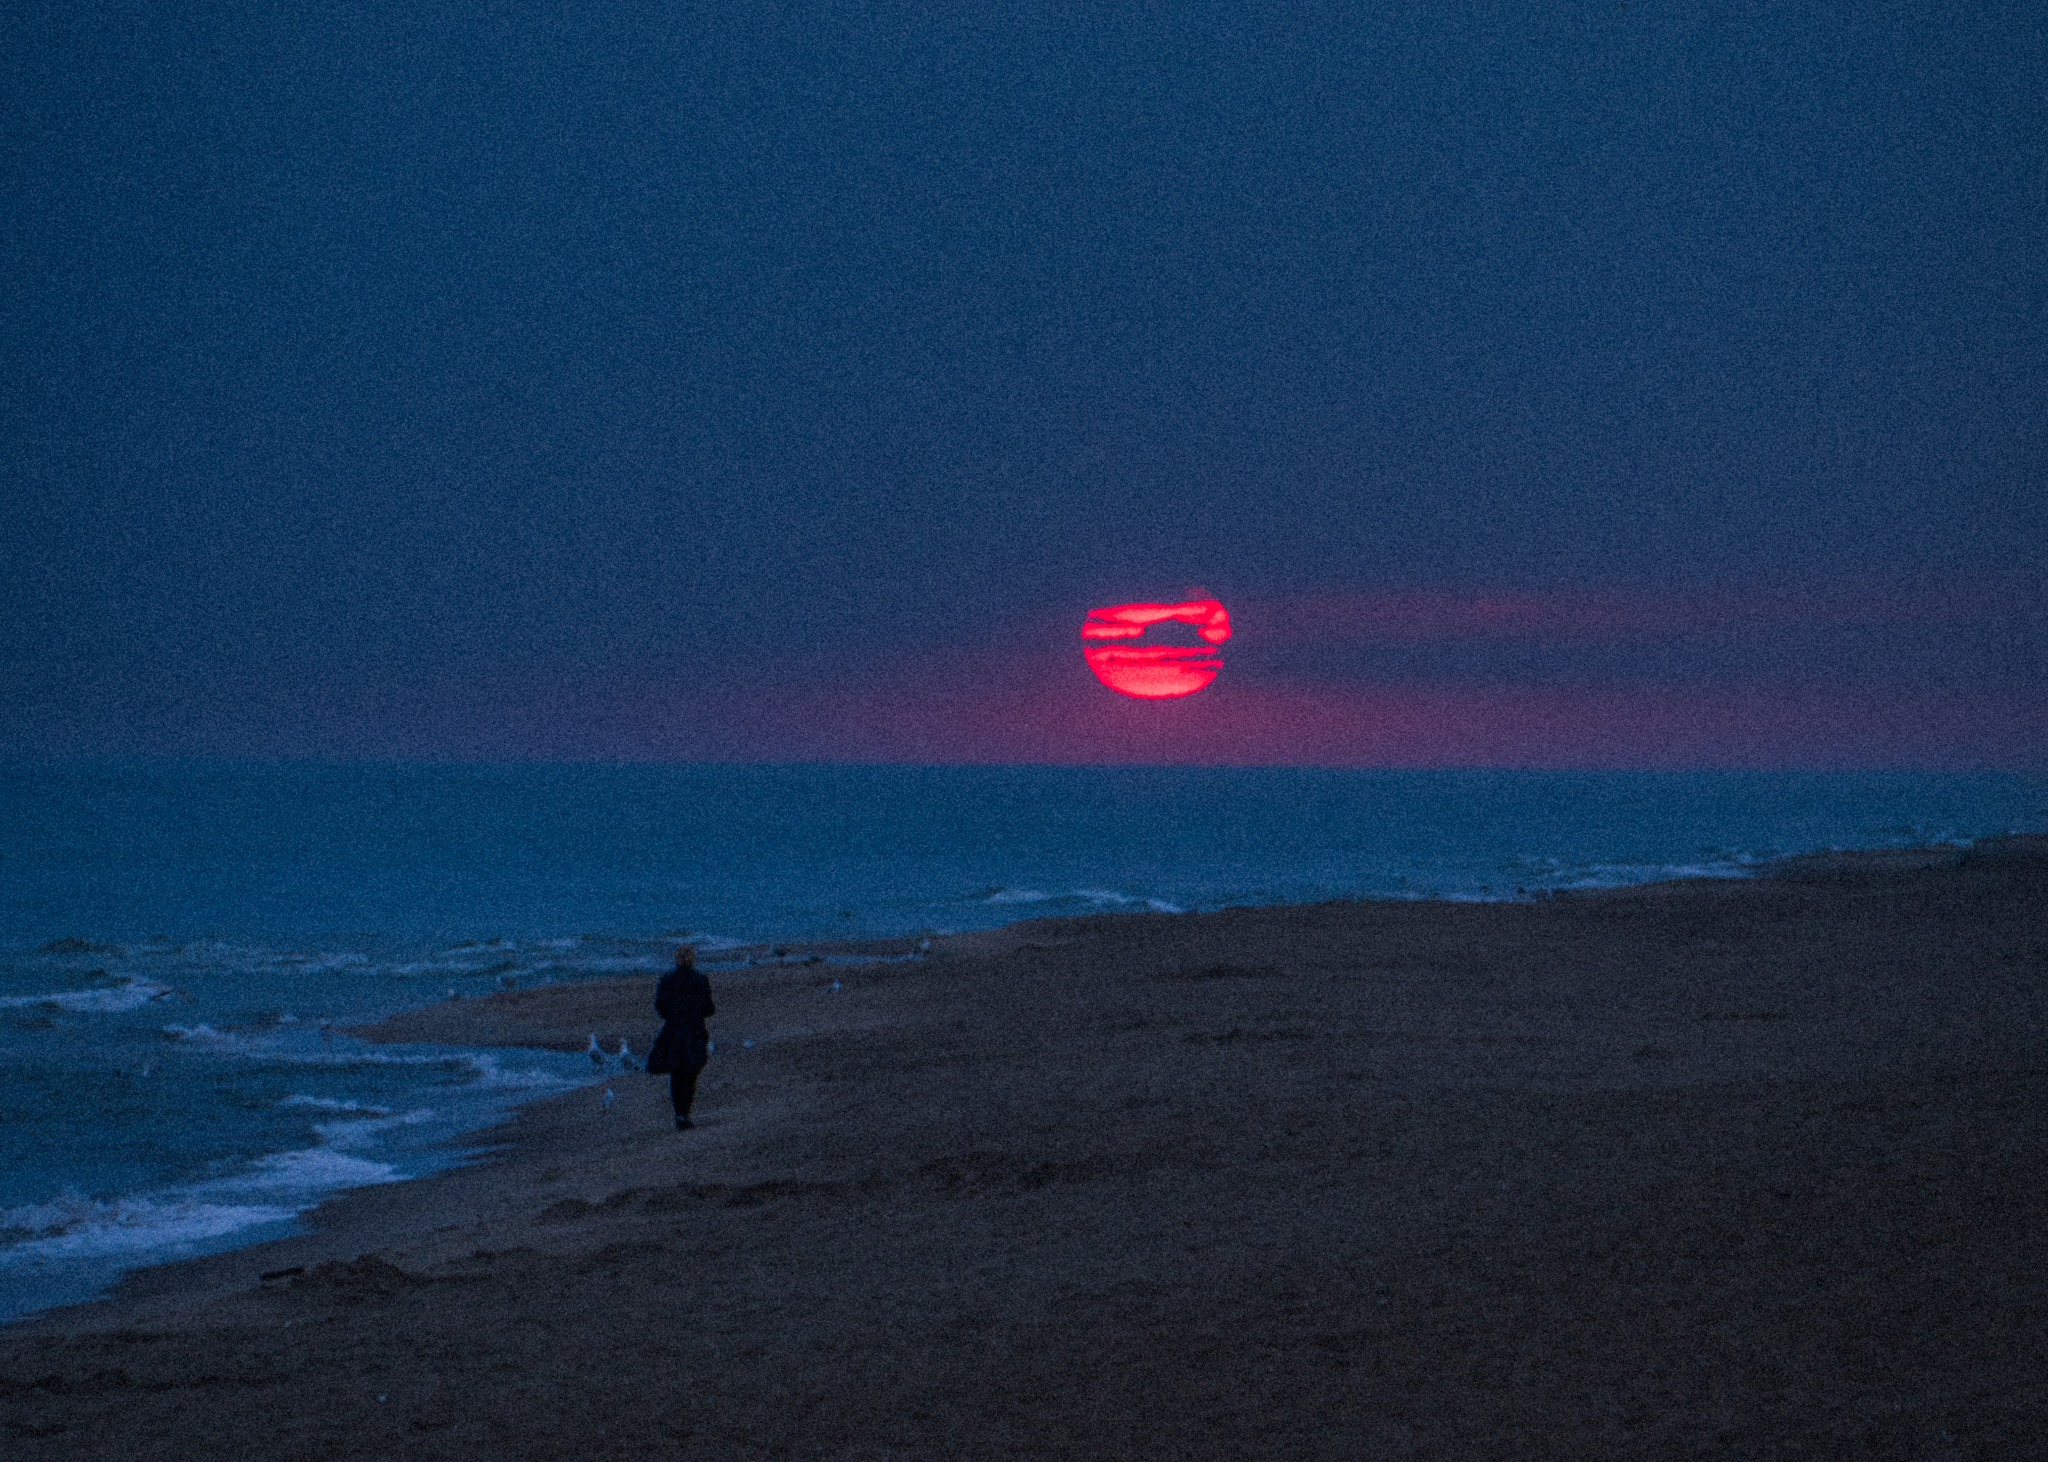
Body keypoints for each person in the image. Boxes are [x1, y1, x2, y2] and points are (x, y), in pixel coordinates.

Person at [647, 944, 716, 1130]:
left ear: (676, 959)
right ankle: (685, 1113)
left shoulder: (667, 980)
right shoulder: (700, 979)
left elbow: (660, 1007)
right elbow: (709, 1008)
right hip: (694, 1030)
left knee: (676, 1074)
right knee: (691, 1072)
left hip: (674, 1030)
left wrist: (674, 1014)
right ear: (693, 959)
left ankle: (679, 1113)